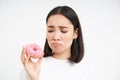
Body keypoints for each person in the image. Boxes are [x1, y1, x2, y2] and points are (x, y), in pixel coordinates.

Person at [20, 5, 88, 80]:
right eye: (50, 30)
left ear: (75, 33)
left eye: (63, 31)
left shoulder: (84, 70)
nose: (56, 37)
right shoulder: (33, 66)